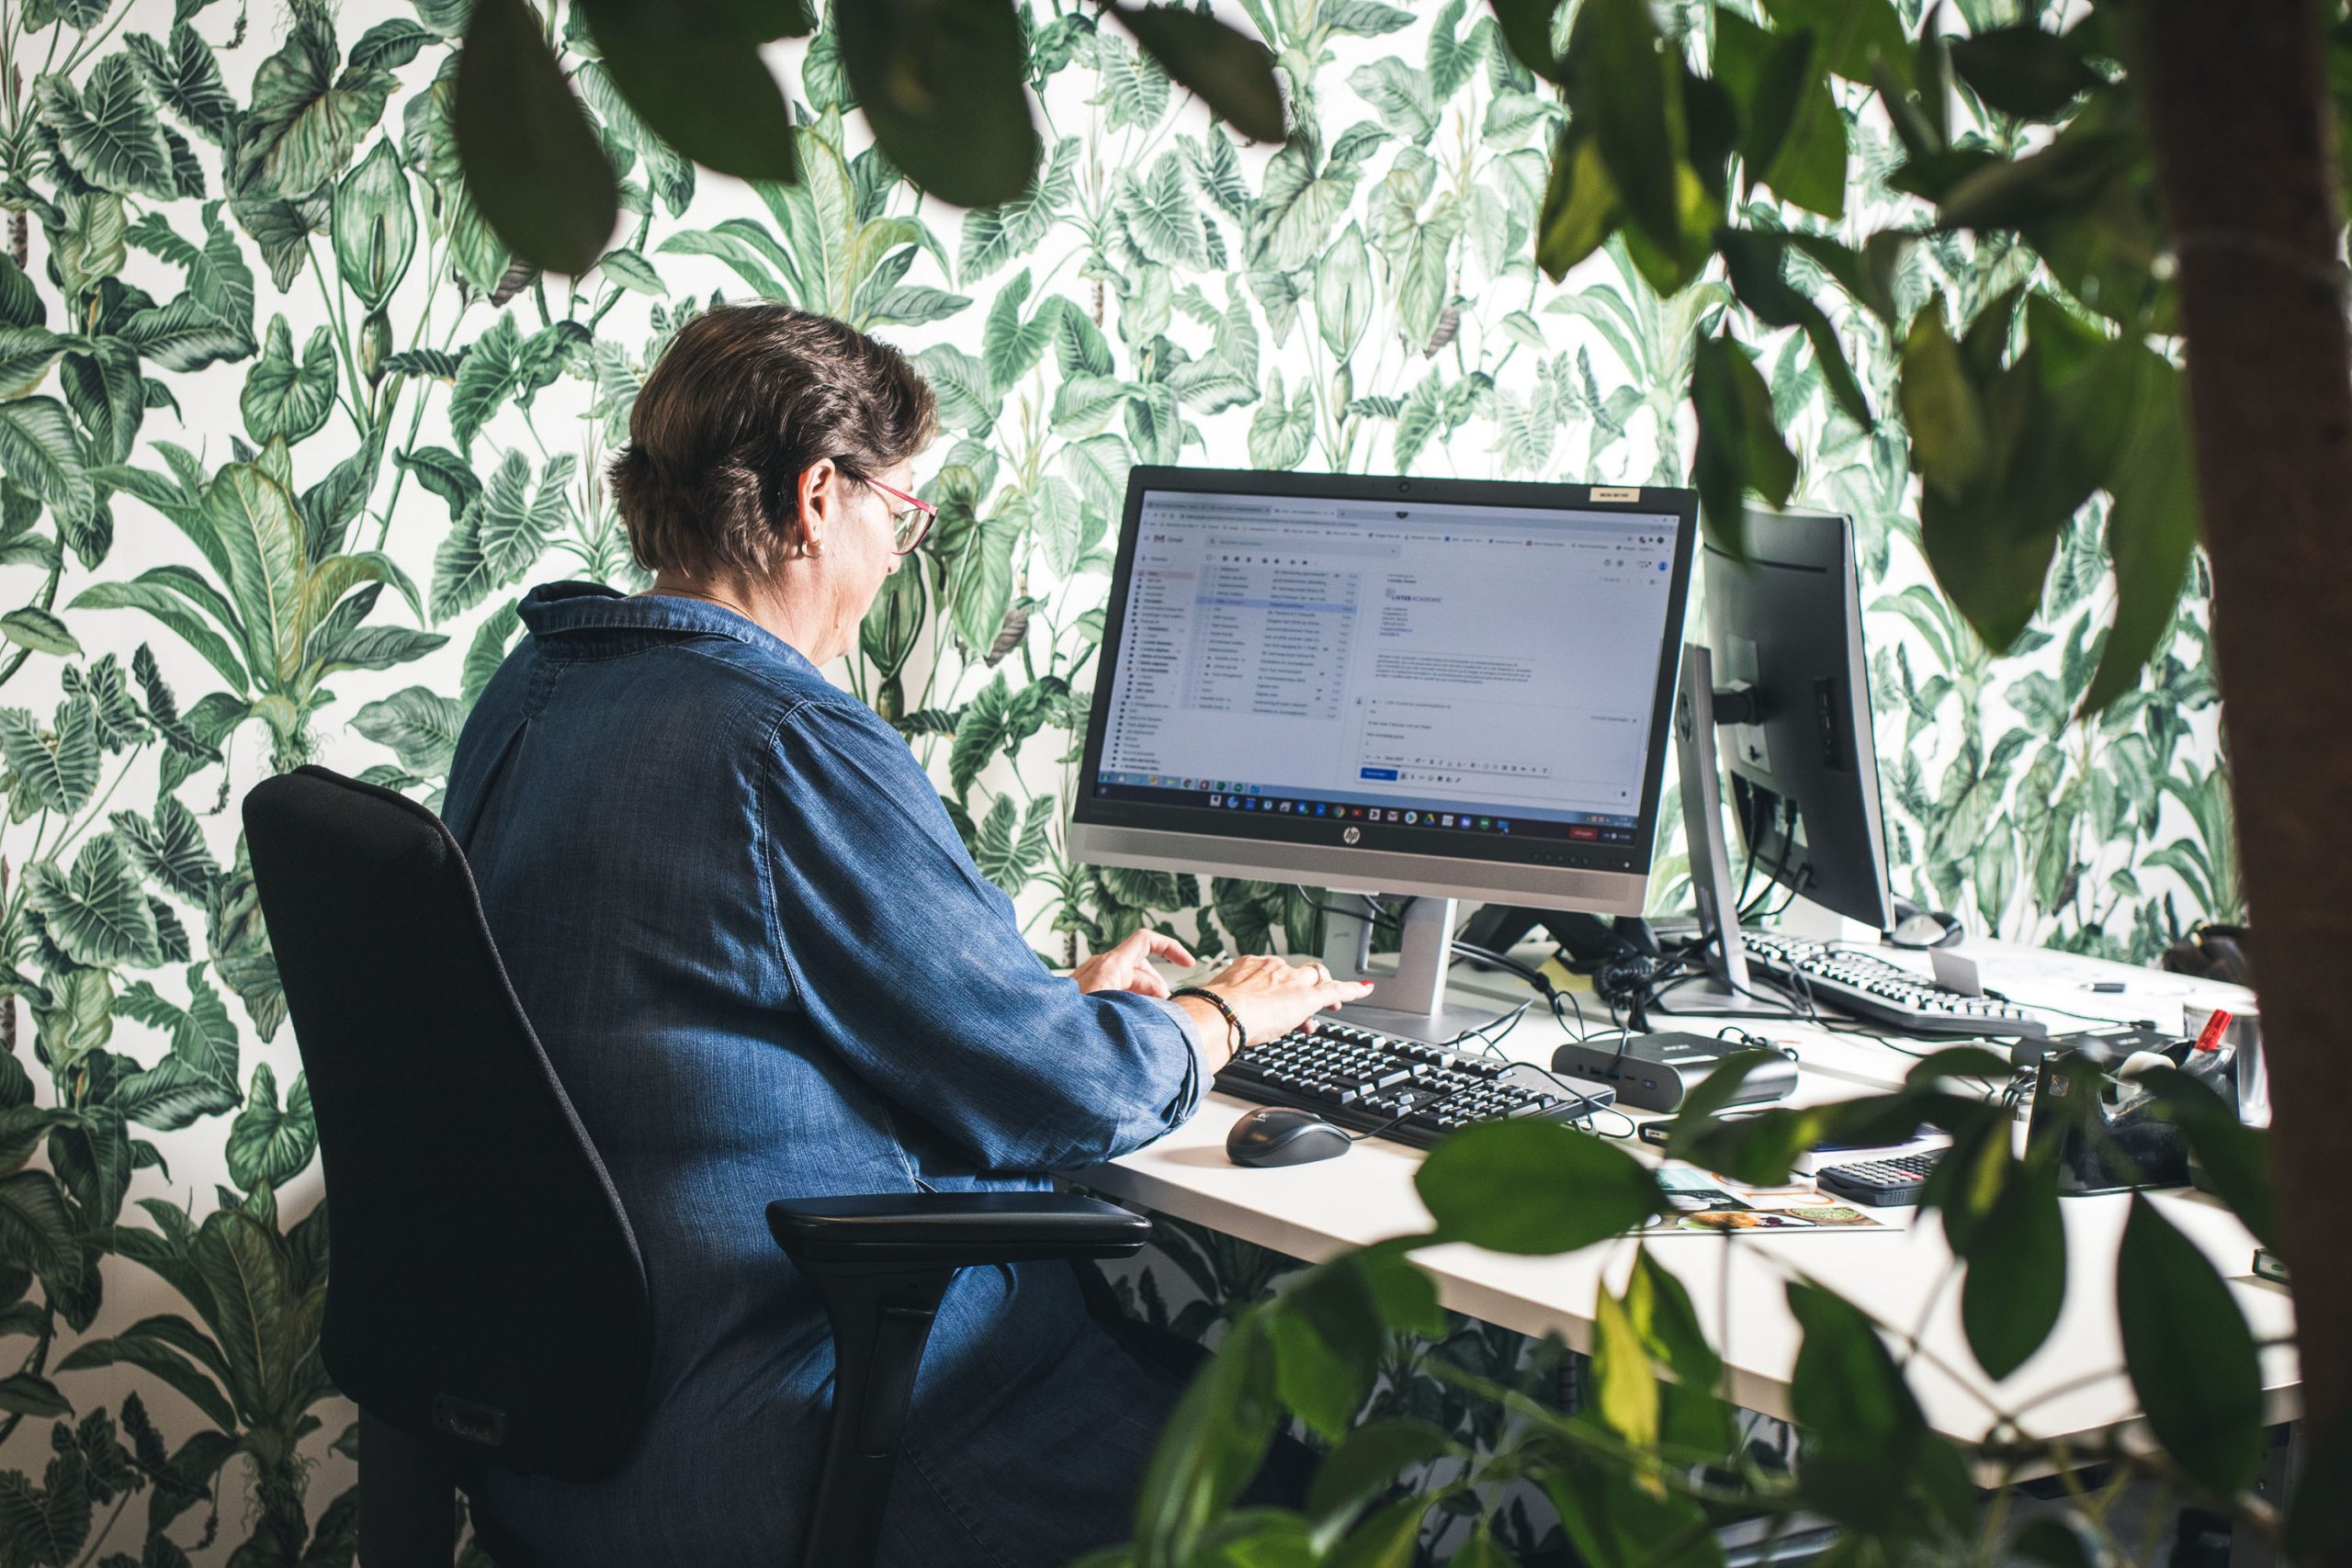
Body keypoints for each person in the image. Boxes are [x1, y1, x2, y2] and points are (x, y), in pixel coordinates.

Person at [441, 304, 1366, 1566]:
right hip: (805, 1418)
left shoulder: (544, 684)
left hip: (571, 1435)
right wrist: (1219, 1013)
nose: (892, 559)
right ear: (818, 497)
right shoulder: (778, 740)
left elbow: (711, 1004)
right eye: (899, 513)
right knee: (1341, 1503)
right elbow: (1072, 1090)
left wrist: (1038, 994)